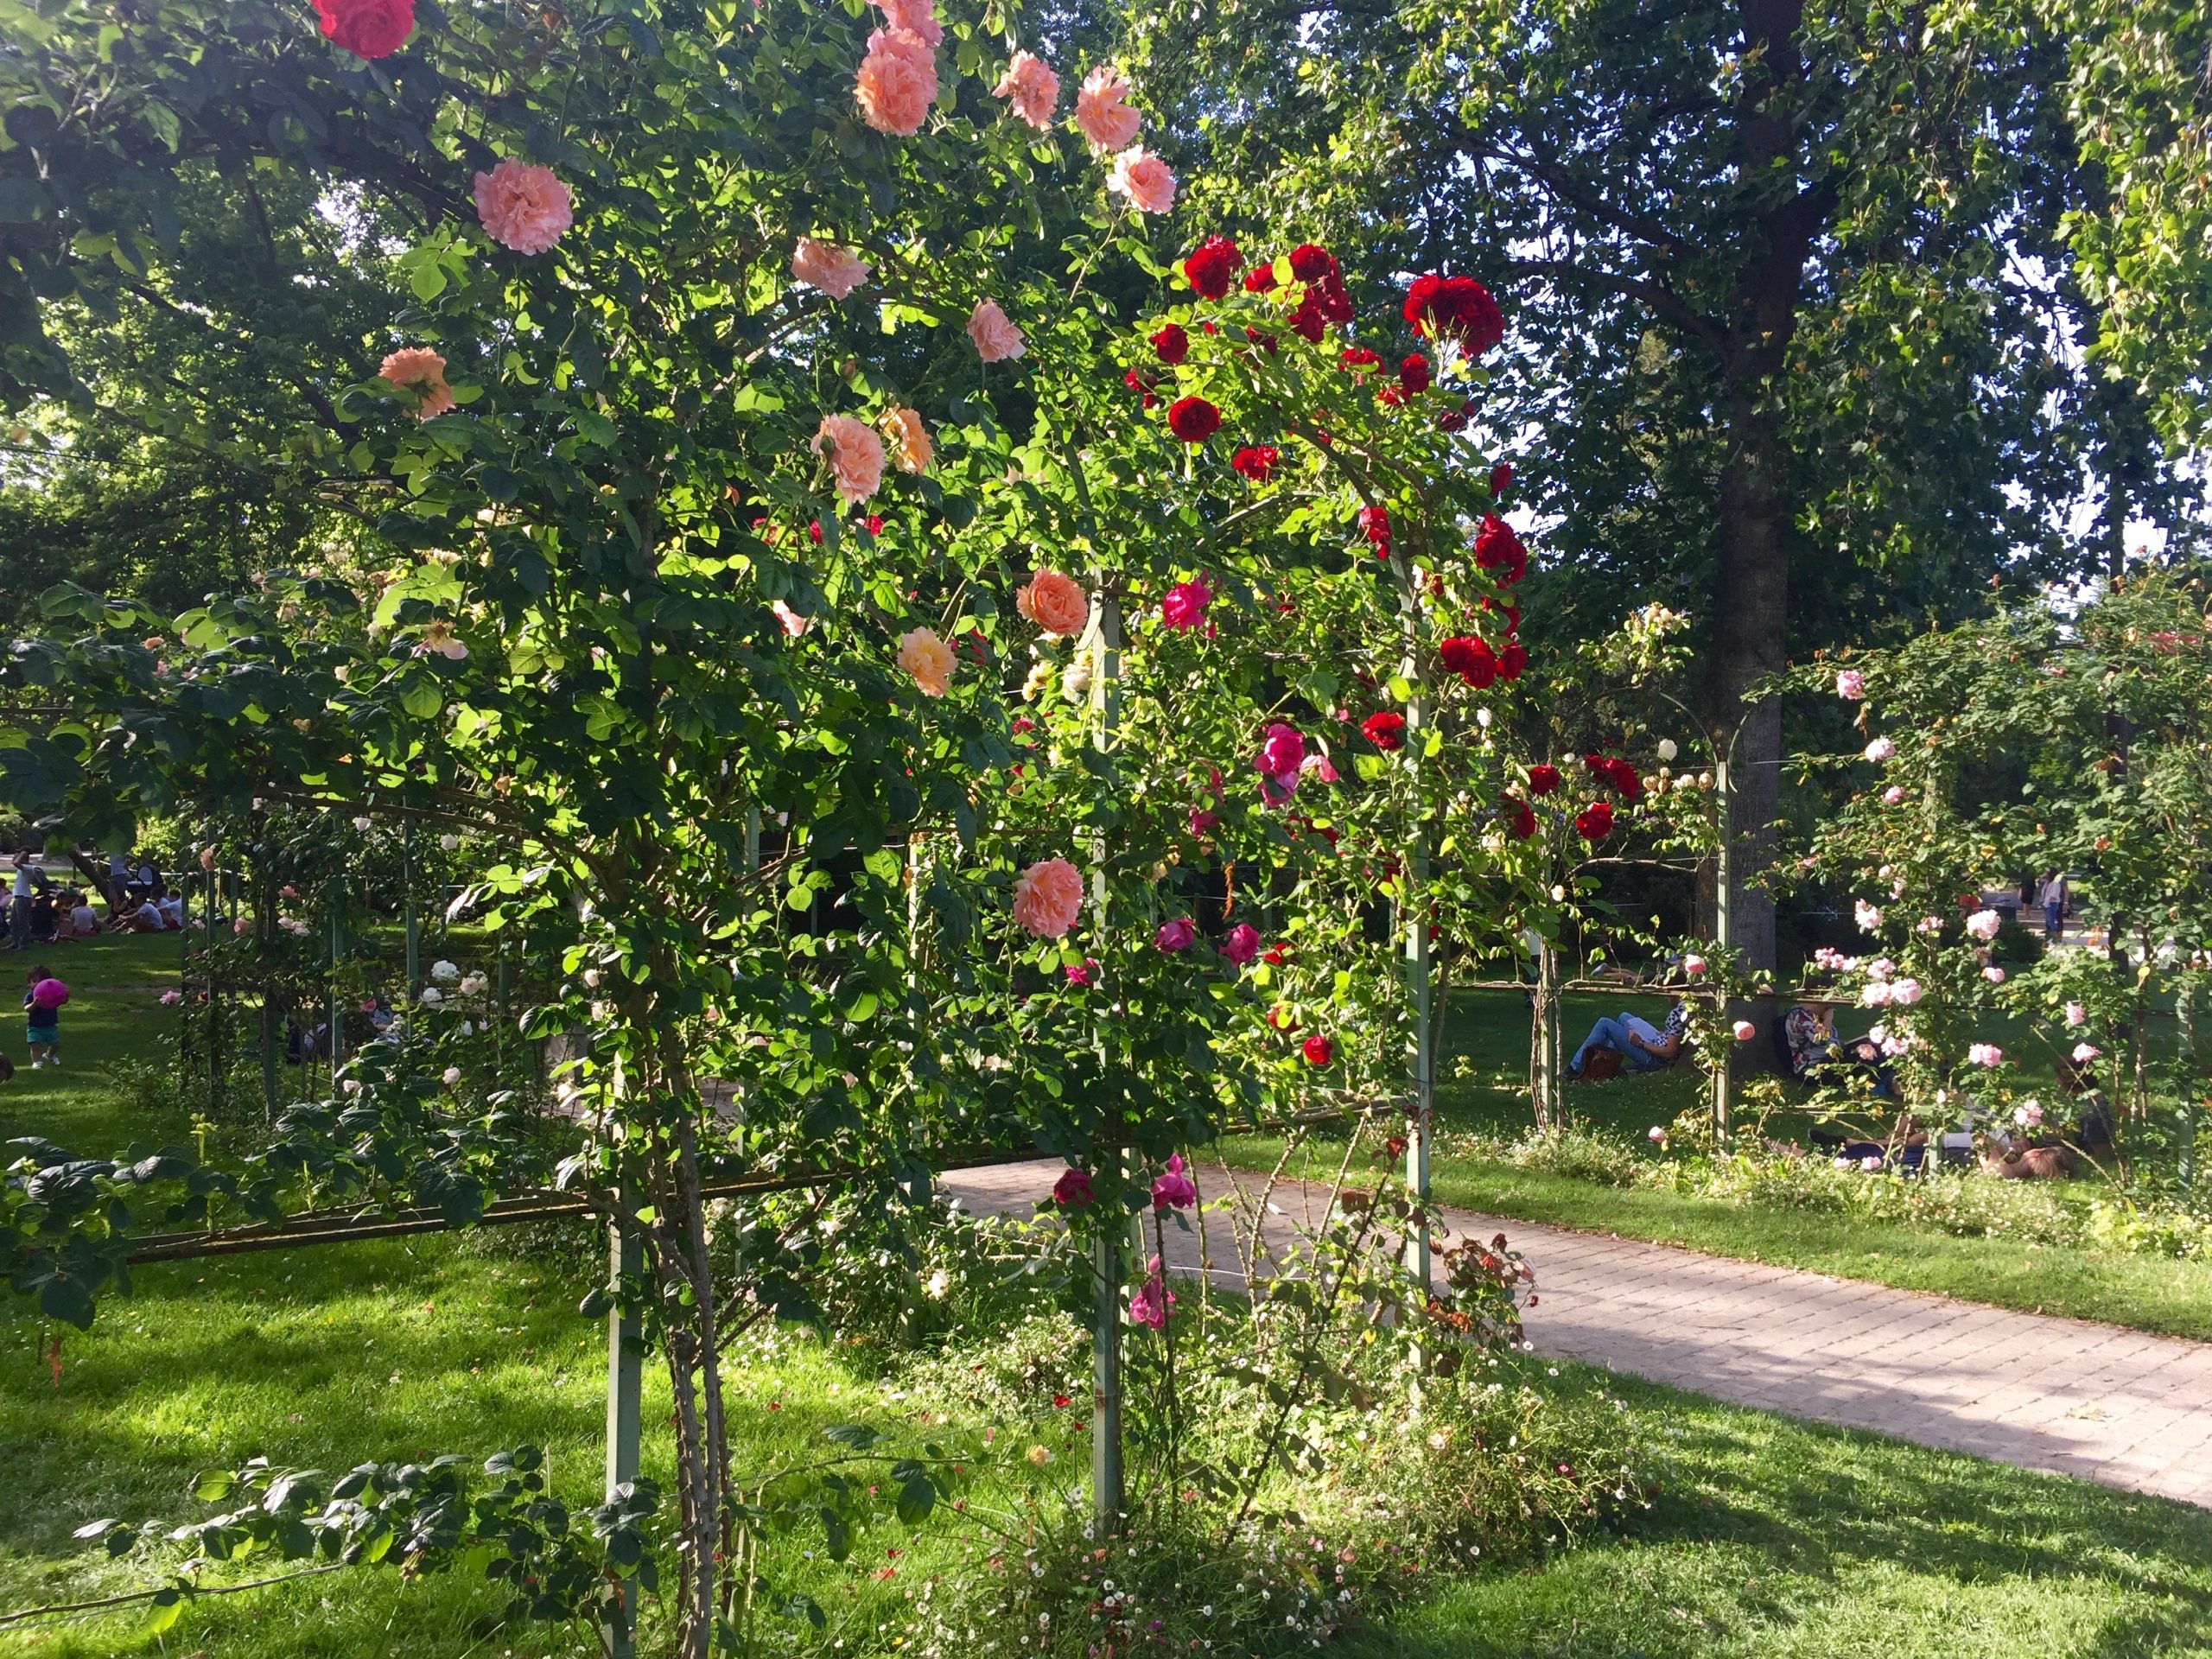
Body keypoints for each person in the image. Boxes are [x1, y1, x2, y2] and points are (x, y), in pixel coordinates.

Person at [1568, 999, 1688, 1077]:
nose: (1666, 998)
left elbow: (1670, 1052)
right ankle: (1606, 1066)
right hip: (1658, 1041)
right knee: (1624, 1017)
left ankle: (1576, 1068)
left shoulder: (1678, 1013)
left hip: (1655, 1059)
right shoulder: (1687, 1006)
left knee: (1604, 1023)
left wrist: (1640, 1043)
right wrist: (1664, 1035)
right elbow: (1675, 1036)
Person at [24, 964, 67, 1068]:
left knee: (55, 1044)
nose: (38, 984)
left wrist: (67, 995)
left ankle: (49, 1056)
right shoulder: (31, 996)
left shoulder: (51, 995)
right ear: (29, 983)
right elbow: (27, 1009)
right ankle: (36, 1062)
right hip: (35, 1027)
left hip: (50, 1025)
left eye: (41, 981)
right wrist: (34, 1004)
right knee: (35, 1045)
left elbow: (62, 1001)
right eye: (34, 981)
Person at [5, 851, 35, 951]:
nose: (16, 857)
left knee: (23, 921)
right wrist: (18, 854)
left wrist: (22, 854)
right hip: (18, 897)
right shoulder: (22, 867)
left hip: (24, 897)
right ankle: (15, 942)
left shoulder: (28, 868)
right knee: (14, 922)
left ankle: (24, 944)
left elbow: (15, 863)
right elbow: (14, 861)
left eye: (18, 855)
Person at [2038, 869, 2068, 940]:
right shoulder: (2048, 882)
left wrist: (2066, 901)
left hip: (2055, 901)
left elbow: (2065, 890)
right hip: (2047, 902)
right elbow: (2041, 881)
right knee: (2048, 918)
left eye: (2047, 873)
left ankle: (2057, 931)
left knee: (2056, 916)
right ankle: (2050, 930)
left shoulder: (2058, 881)